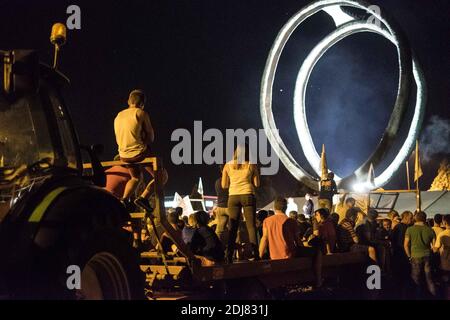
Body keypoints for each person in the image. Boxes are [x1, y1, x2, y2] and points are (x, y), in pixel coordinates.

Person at [259, 197, 322, 286]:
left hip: (274, 255)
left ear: (274, 207)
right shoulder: (291, 221)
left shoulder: (267, 221)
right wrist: (303, 250)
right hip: (290, 254)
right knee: (317, 251)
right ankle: (318, 280)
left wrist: (259, 256)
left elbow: (264, 239)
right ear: (285, 208)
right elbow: (298, 241)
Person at [114, 89, 155, 211]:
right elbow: (151, 138)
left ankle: (124, 199)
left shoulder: (118, 115)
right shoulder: (141, 113)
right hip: (139, 153)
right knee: (161, 176)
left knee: (136, 178)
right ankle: (143, 198)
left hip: (123, 155)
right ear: (142, 103)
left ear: (128, 101)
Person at [221, 144, 260, 262]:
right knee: (251, 226)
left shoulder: (227, 165)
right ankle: (255, 254)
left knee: (233, 227)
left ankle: (229, 256)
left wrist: (234, 182)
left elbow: (224, 185)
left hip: (233, 196)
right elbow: (257, 184)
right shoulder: (251, 164)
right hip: (248, 195)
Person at [404, 211, 437, 298]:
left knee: (416, 280)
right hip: (428, 256)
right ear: (425, 218)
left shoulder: (410, 229)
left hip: (415, 257)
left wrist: (409, 256)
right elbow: (434, 247)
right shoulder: (430, 230)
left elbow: (406, 245)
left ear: (415, 218)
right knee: (429, 279)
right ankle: (433, 297)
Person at [215, 165, 229, 245]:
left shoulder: (217, 182)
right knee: (236, 229)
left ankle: (216, 246)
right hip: (230, 206)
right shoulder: (230, 180)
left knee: (219, 230)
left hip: (220, 207)